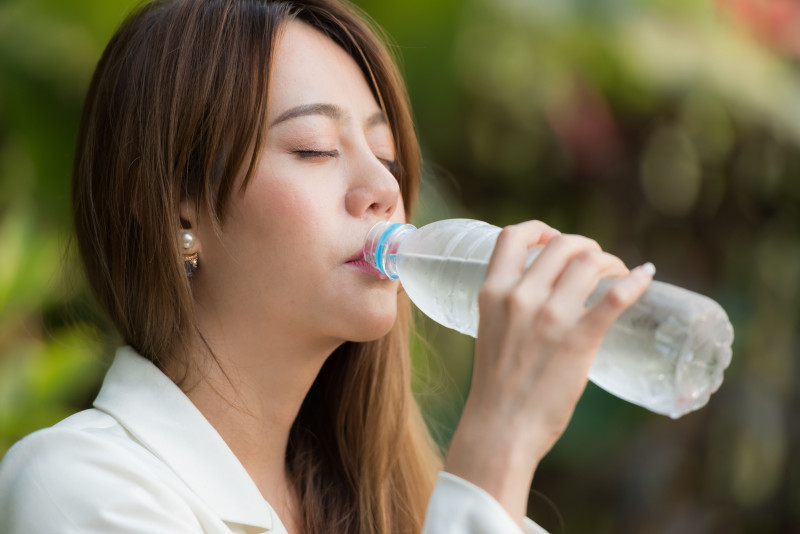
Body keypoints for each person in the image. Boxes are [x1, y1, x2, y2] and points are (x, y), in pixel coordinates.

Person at [0, 0, 654, 532]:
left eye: (387, 154)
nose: (382, 187)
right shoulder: (78, 484)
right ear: (175, 210)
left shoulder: (428, 509)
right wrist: (499, 445)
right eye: (314, 149)